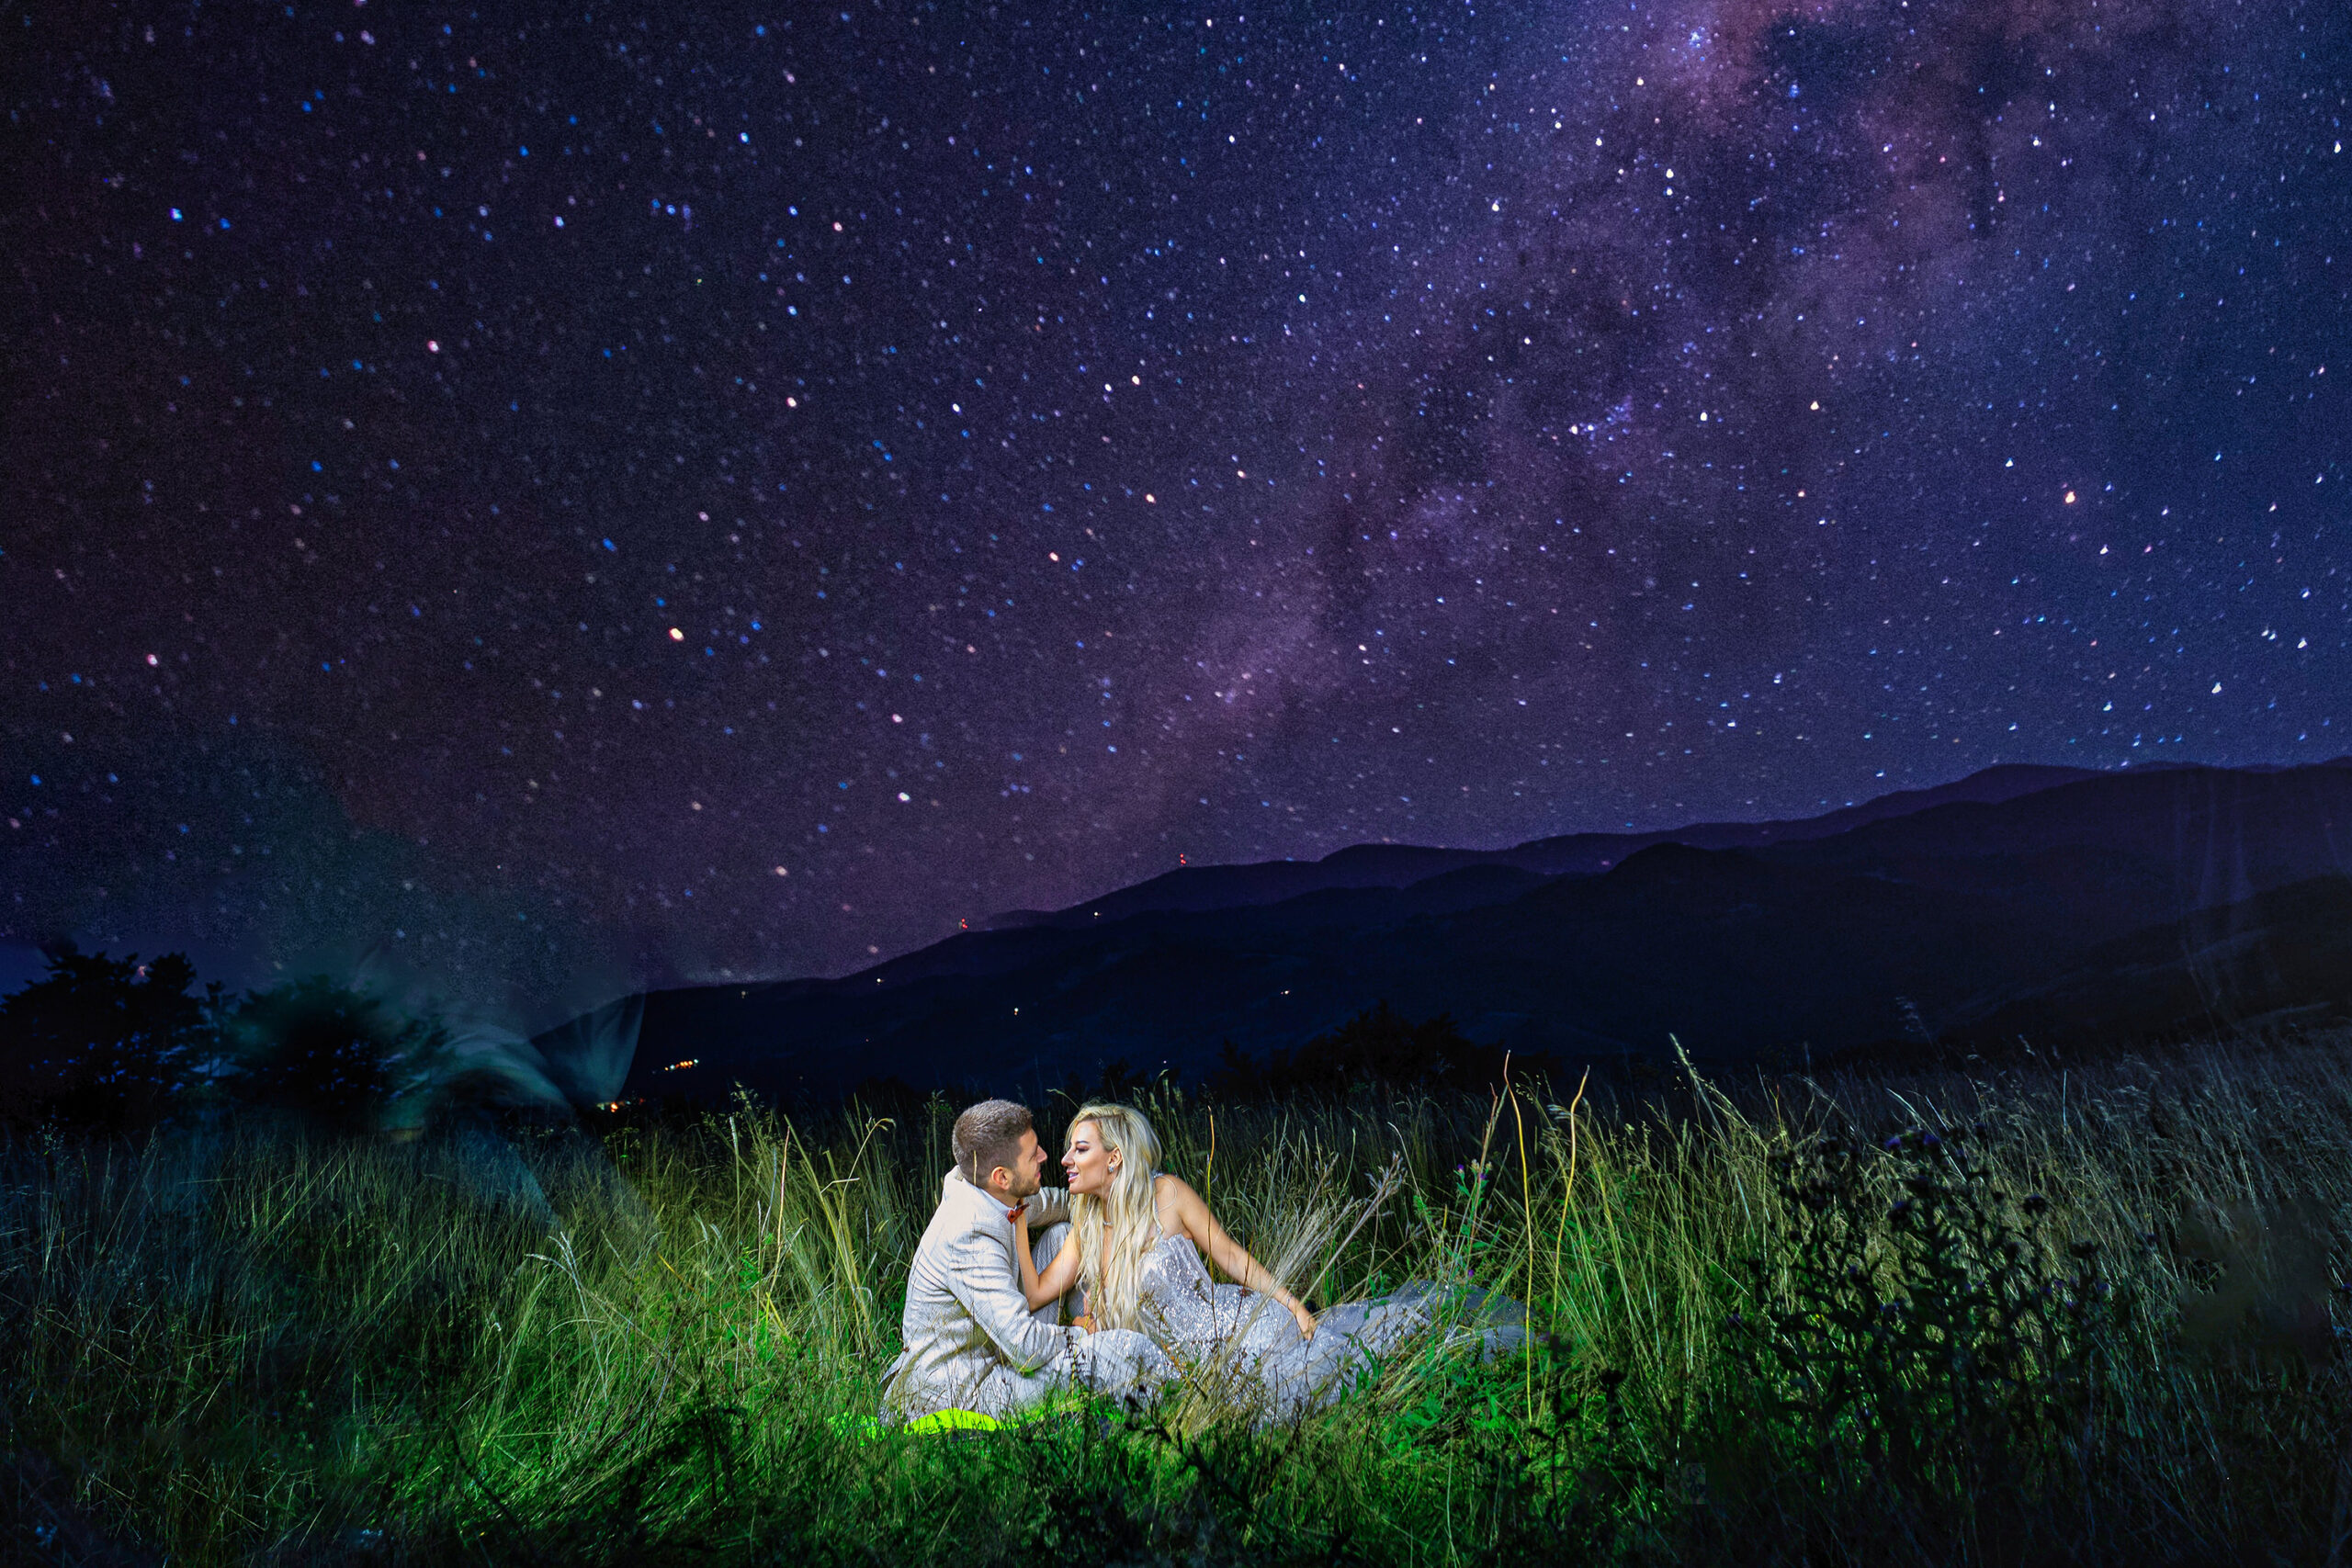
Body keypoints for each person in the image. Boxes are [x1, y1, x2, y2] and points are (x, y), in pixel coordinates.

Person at [1016, 1101, 1524, 1424]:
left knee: (1349, 1366)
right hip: (1189, 1371)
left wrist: (1292, 1302)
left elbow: (1232, 1257)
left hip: (1241, 1333)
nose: (1065, 1159)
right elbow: (1038, 1292)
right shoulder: (1085, 1228)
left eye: (1078, 1148)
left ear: (1115, 1158)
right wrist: (1015, 1211)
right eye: (1066, 1149)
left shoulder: (1166, 1194)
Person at [881, 1099, 1174, 1425]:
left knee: (1064, 1235)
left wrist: (1119, 1194)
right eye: (1033, 1155)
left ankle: (1107, 1331)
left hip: (1001, 1346)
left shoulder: (989, 1187)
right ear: (1002, 1176)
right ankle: (1144, 1394)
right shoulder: (968, 1235)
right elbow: (1024, 1345)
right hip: (965, 1388)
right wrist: (1079, 1336)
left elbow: (1058, 1203)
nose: (1046, 1157)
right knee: (1126, 1351)